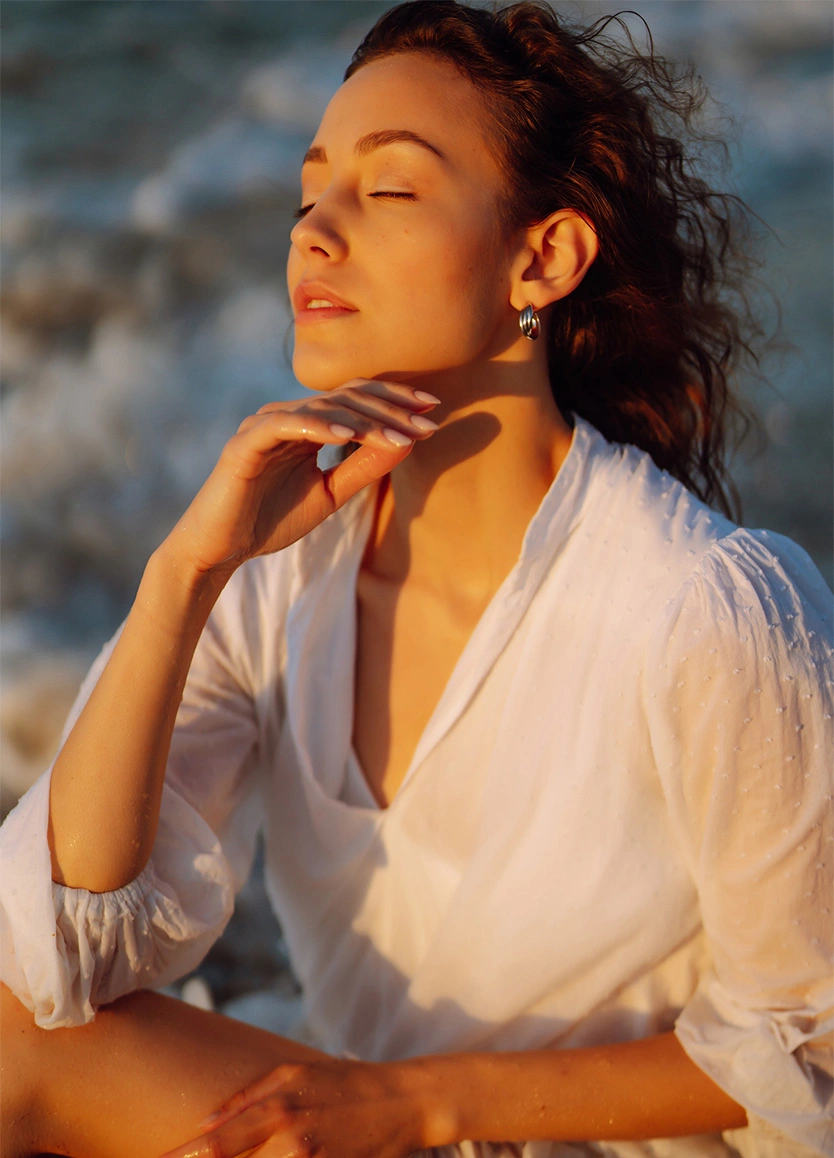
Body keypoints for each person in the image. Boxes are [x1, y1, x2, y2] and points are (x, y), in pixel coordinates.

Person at [1, 2, 831, 1156]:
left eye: (387, 190)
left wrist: (419, 1104)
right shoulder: (274, 564)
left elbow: (809, 1049)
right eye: (308, 192)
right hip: (352, 1117)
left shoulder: (704, 609)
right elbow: (60, 962)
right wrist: (182, 578)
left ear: (543, 256)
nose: (314, 233)